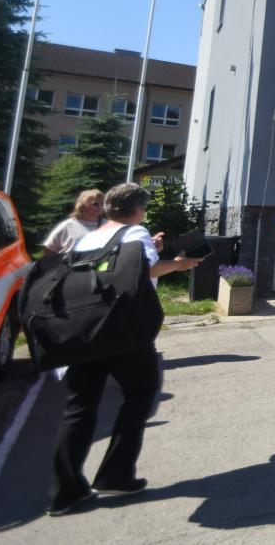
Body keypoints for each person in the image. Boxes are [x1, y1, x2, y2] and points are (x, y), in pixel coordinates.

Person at [47, 183, 201, 516]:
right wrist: (178, 264)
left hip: (82, 329)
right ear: (138, 210)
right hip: (120, 328)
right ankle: (115, 474)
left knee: (80, 406)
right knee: (140, 393)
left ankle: (65, 491)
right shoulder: (136, 233)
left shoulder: (89, 238)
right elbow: (145, 271)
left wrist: (153, 251)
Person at [41, 189, 105, 256]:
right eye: (95, 204)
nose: (100, 207)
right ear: (83, 205)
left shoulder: (108, 225)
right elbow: (49, 249)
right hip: (72, 262)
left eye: (102, 204)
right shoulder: (67, 226)